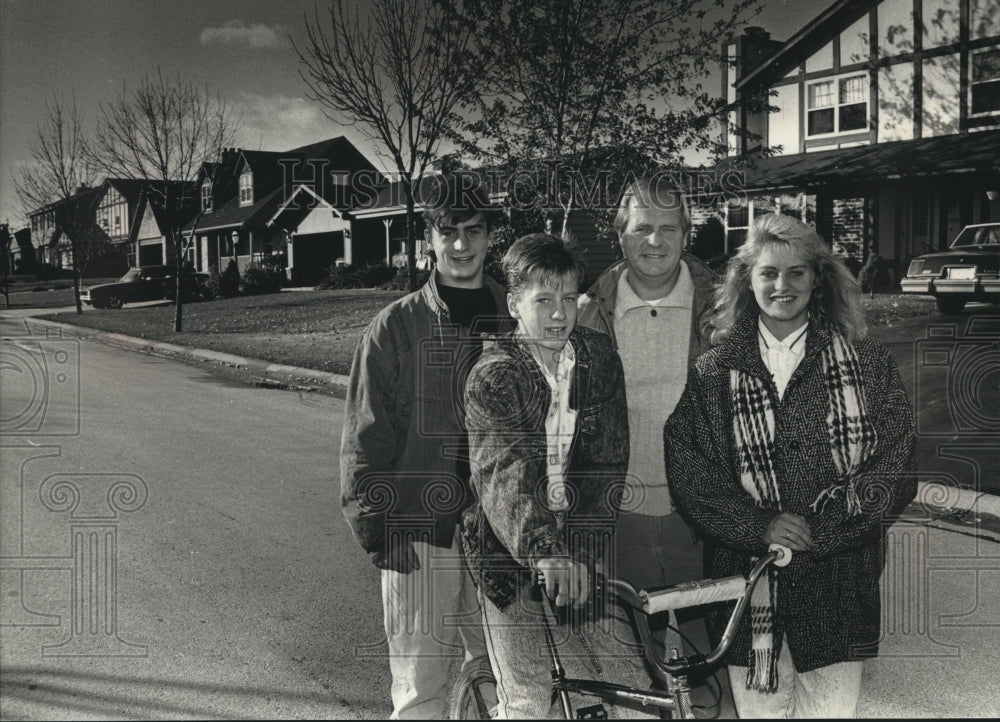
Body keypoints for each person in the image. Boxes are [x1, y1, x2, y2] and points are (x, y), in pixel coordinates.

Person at [664, 213, 917, 718]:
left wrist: (822, 529)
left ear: (818, 279)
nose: (783, 286)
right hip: (745, 580)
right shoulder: (715, 371)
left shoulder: (866, 362)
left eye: (797, 272)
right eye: (769, 273)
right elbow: (690, 468)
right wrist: (760, 525)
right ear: (746, 281)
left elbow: (896, 462)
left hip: (838, 582)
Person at [340, 170, 511, 719]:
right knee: (420, 689)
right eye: (448, 231)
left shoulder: (515, 320)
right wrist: (377, 530)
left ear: (489, 237)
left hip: (499, 532)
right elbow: (365, 439)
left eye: (474, 231)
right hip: (417, 533)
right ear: (429, 239)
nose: (461, 244)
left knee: (508, 683)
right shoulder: (394, 328)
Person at [461, 233, 654, 719]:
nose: (558, 313)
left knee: (632, 687)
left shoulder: (598, 357)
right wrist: (546, 552)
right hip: (508, 547)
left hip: (579, 543)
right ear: (513, 304)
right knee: (528, 696)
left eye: (569, 298)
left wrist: (581, 552)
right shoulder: (494, 374)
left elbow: (607, 462)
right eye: (543, 299)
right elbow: (505, 474)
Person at [577, 174, 718, 660]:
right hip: (618, 520)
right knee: (632, 673)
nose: (654, 241)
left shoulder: (724, 312)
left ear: (685, 234)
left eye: (668, 228)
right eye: (641, 228)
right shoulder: (586, 314)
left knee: (710, 673)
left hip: (702, 520)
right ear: (620, 234)